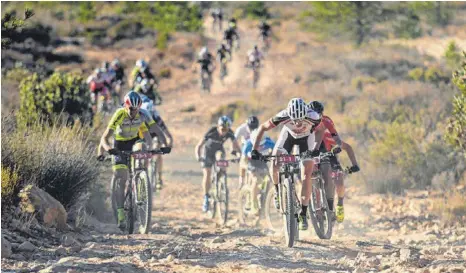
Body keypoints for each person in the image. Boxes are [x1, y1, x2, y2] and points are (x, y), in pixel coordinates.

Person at [251, 98, 324, 230]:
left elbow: (320, 131)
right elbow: (262, 128)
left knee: (306, 175)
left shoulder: (313, 116)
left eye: (300, 120)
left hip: (306, 140)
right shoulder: (282, 115)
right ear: (289, 115)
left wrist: (316, 149)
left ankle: (303, 212)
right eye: (294, 120)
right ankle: (278, 192)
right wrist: (254, 150)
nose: (297, 123)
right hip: (288, 137)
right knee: (275, 162)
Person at [99, 91, 169, 229]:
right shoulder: (119, 114)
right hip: (119, 143)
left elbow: (157, 130)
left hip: (134, 141)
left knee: (142, 147)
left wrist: (165, 144)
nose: (133, 112)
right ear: (126, 106)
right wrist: (108, 149)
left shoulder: (144, 114)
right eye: (131, 109)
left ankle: (140, 175)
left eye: (136, 109)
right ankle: (120, 213)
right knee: (121, 177)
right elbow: (105, 137)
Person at [308, 101, 360, 223]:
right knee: (311, 176)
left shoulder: (326, 133)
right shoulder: (306, 127)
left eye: (318, 114)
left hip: (328, 156)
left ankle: (340, 204)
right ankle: (315, 205)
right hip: (311, 154)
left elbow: (346, 146)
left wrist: (354, 164)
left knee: (339, 180)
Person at [195, 116, 241, 212]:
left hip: (219, 151)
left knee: (223, 164)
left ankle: (220, 180)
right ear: (218, 127)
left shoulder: (230, 132)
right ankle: (206, 198)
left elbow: (236, 146)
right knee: (207, 173)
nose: (224, 131)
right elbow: (199, 145)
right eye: (222, 128)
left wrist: (239, 155)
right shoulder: (212, 131)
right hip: (208, 152)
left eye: (226, 129)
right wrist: (198, 156)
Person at [140, 93, 174, 190]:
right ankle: (143, 175)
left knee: (158, 151)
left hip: (155, 136)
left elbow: (167, 133)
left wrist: (168, 143)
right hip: (144, 136)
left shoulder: (156, 118)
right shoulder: (140, 117)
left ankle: (159, 178)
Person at [242, 129, 275, 214]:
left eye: (262, 144)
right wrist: (248, 170)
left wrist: (271, 154)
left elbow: (276, 154)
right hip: (252, 163)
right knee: (256, 180)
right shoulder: (248, 144)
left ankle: (263, 197)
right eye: (257, 144)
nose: (259, 146)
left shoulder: (270, 142)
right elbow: (243, 161)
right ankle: (254, 203)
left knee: (269, 180)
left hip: (262, 162)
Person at [235, 116, 259, 189]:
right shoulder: (241, 128)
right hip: (244, 147)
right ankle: (241, 181)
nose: (252, 129)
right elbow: (234, 140)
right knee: (242, 161)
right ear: (247, 125)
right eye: (251, 127)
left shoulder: (258, 130)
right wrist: (237, 151)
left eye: (254, 128)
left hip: (254, 147)